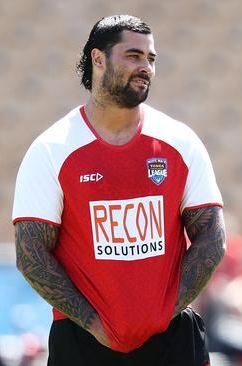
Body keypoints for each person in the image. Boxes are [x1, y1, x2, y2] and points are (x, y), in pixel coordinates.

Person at [12, 14, 226, 366]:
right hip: (83, 341)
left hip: (172, 338)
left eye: (151, 58)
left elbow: (211, 239)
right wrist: (96, 325)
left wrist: (162, 312)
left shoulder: (180, 142)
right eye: (133, 56)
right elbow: (31, 254)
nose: (146, 67)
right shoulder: (51, 150)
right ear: (98, 59)